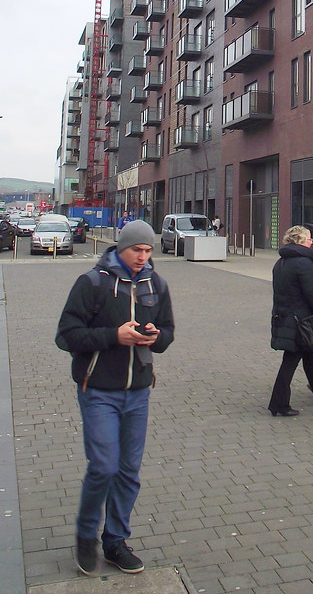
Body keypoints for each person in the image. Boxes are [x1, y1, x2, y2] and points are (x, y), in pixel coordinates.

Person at [56, 220, 175, 576]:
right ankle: (85, 536)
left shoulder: (157, 284)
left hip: (138, 391)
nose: (142, 257)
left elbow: (169, 331)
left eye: (148, 250)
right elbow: (66, 335)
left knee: (128, 471)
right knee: (104, 466)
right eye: (136, 250)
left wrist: (157, 337)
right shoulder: (92, 283)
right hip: (98, 390)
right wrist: (113, 336)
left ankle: (115, 540)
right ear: (120, 247)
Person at [268, 226, 313, 416]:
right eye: (308, 238)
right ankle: (279, 403)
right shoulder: (304, 264)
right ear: (300, 241)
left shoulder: (281, 263)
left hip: (286, 317)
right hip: (301, 321)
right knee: (290, 361)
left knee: (309, 355)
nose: (311, 242)